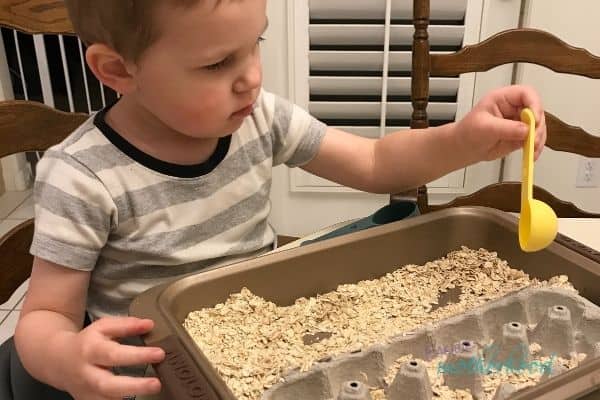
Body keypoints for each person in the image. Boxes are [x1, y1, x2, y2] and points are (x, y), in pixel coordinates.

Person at [12, 0, 547, 399]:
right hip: (155, 374)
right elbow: (43, 318)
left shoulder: (260, 118)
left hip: (265, 344)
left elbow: (375, 163)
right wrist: (67, 358)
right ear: (118, 71)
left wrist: (465, 140)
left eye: (256, 45)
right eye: (217, 63)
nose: (251, 78)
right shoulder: (81, 177)